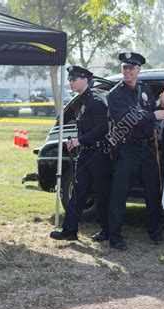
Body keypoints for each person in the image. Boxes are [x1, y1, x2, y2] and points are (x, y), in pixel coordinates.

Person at [107, 52, 164, 251]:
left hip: (147, 149)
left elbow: (146, 110)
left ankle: (155, 231)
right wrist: (154, 114)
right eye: (124, 68)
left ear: (138, 70)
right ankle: (115, 237)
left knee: (153, 192)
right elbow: (127, 118)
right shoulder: (115, 94)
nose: (127, 71)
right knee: (120, 194)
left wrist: (158, 105)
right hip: (128, 149)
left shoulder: (145, 89)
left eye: (131, 68)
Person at [50, 65, 112, 242]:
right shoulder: (79, 101)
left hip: (99, 153)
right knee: (78, 193)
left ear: (85, 80)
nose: (70, 82)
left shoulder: (94, 100)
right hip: (85, 153)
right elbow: (63, 119)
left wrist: (79, 140)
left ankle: (107, 231)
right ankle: (69, 231)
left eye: (74, 79)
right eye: (69, 79)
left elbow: (102, 128)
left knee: (103, 193)